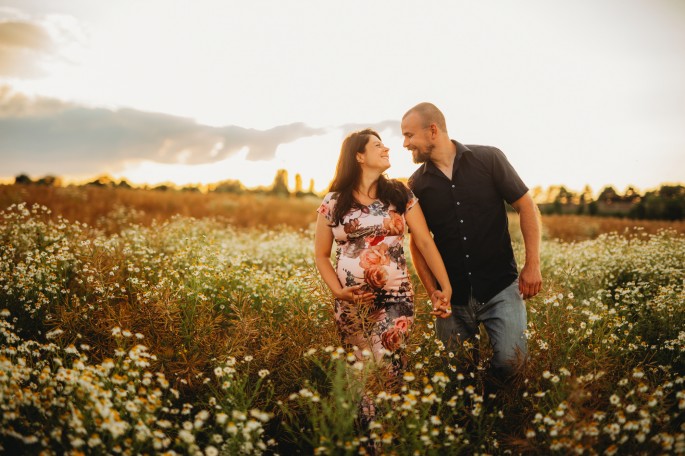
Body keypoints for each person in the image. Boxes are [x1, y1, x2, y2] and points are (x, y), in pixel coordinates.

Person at [402, 102, 542, 393]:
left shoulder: (488, 159)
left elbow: (526, 206)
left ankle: (500, 421)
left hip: (500, 289)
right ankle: (470, 427)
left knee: (511, 365)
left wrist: (533, 264)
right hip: (453, 299)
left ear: (432, 130)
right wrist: (433, 291)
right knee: (455, 380)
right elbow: (417, 242)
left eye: (409, 135)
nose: (405, 144)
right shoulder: (417, 183)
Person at [314, 128, 453, 419]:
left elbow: (425, 241)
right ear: (359, 156)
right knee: (360, 375)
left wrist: (445, 286)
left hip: (396, 300)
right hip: (353, 304)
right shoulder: (334, 201)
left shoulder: (401, 195)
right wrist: (338, 292)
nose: (386, 148)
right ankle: (369, 441)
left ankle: (389, 432)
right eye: (377, 145)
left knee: (389, 370)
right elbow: (321, 255)